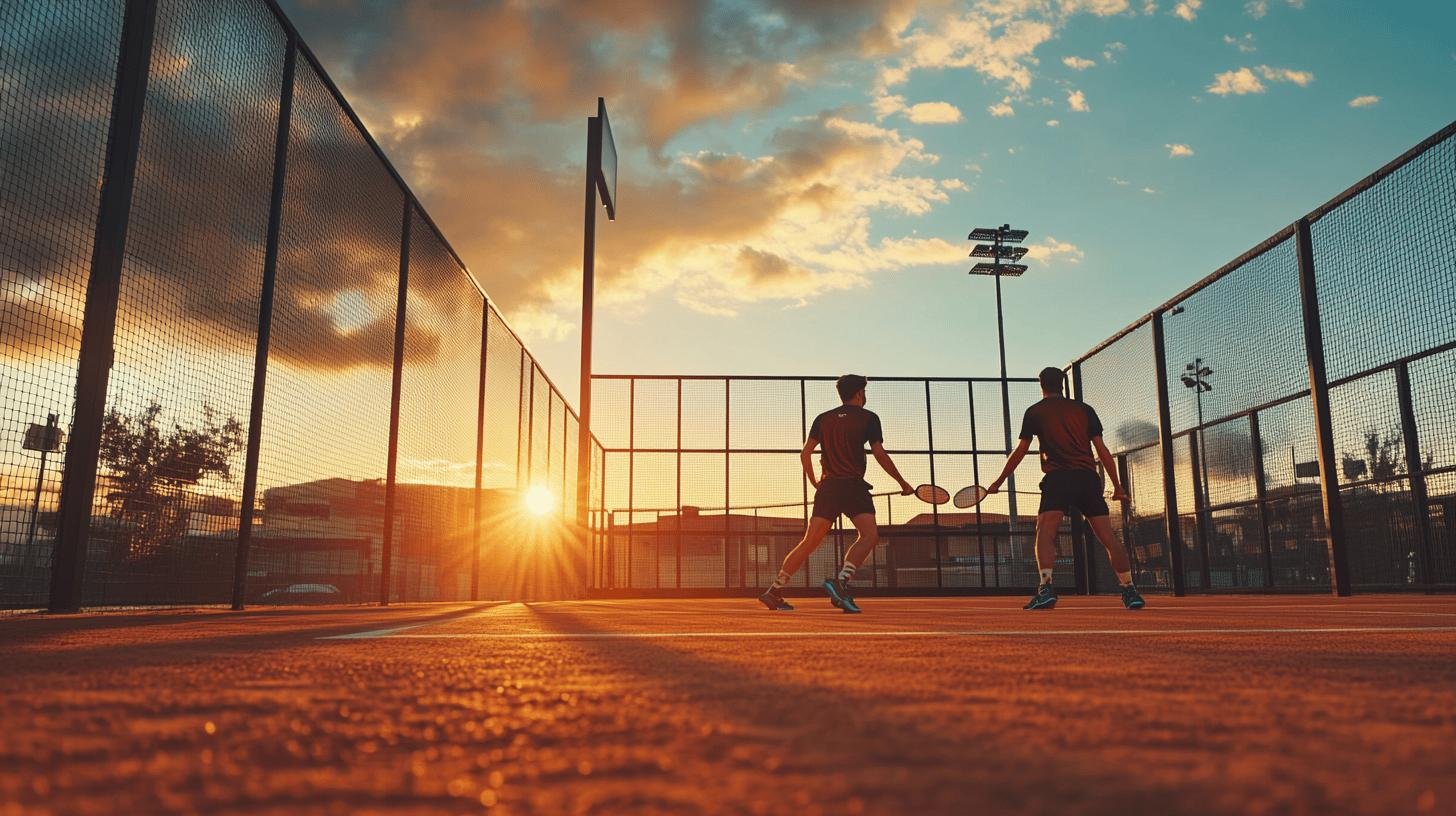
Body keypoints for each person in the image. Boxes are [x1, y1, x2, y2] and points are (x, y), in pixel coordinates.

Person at [986, 367, 1146, 610]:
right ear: (1062, 383)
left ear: (1041, 384)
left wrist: (999, 481)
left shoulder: (1035, 411)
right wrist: (1117, 485)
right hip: (1088, 478)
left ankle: (1046, 588)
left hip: (1058, 479)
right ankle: (1129, 589)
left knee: (1045, 532)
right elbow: (1101, 450)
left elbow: (1020, 451)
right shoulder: (1084, 409)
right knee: (1108, 537)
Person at [759, 374, 913, 613]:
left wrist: (814, 482)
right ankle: (841, 583)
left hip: (828, 488)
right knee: (869, 536)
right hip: (853, 486)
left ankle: (774, 590)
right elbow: (879, 453)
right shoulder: (869, 418)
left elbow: (805, 453)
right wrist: (902, 482)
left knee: (809, 542)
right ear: (859, 393)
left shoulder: (823, 418)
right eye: (864, 391)